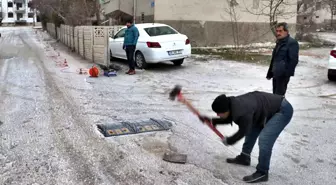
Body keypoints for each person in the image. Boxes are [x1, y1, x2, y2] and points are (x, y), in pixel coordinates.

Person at [198, 91, 294, 183]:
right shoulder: (232, 105)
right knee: (252, 128)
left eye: (219, 113)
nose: (217, 115)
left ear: (226, 110)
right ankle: (245, 157)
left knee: (265, 139)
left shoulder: (243, 110)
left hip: (282, 110)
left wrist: (230, 140)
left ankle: (262, 172)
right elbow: (230, 117)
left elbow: (244, 130)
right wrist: (213, 121)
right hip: (262, 111)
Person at [266, 22, 299, 96]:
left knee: (279, 96)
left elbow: (294, 60)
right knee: (275, 95)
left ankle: (281, 107)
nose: (278, 33)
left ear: (286, 32)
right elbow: (274, 59)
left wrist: (286, 75)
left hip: (283, 75)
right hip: (276, 73)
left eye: (280, 31)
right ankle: (276, 107)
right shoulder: (279, 42)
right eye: (277, 31)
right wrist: (270, 73)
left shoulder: (292, 43)